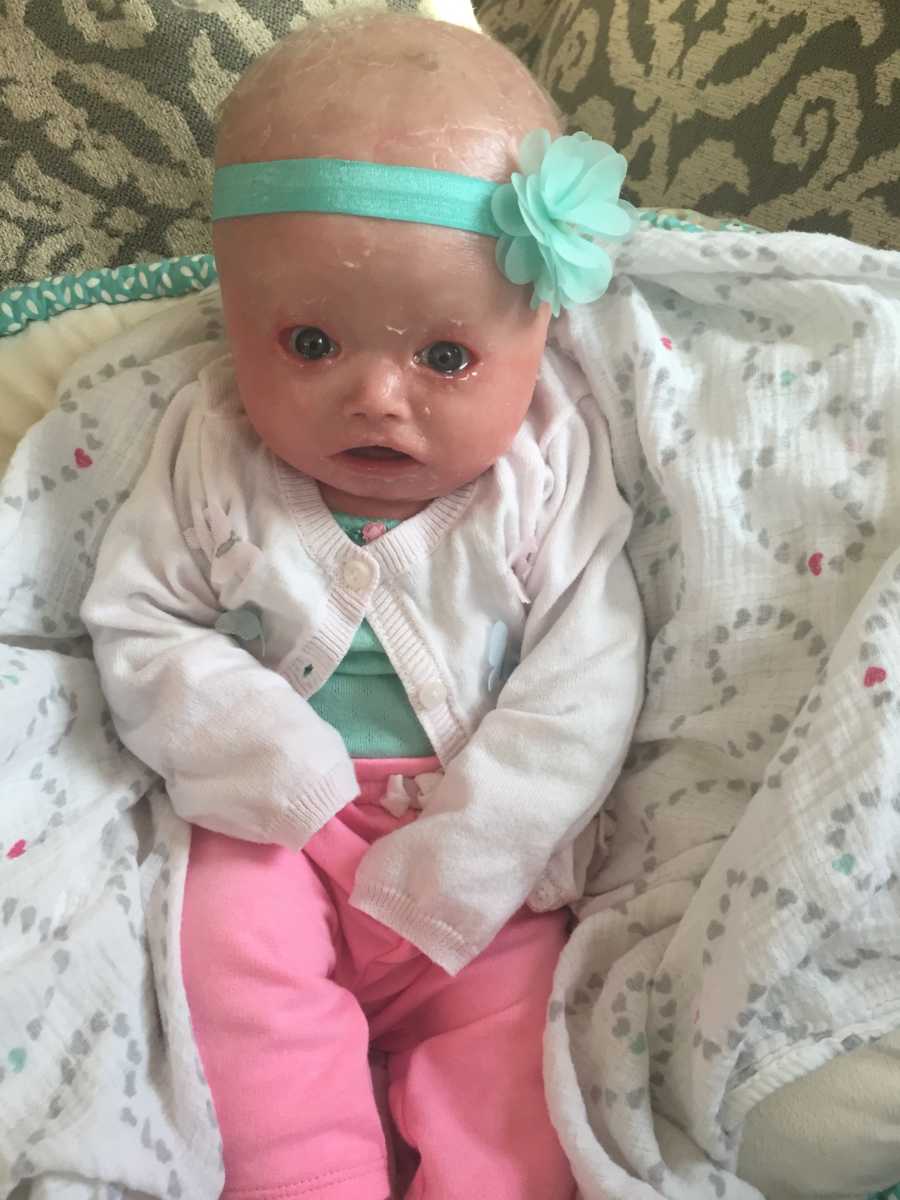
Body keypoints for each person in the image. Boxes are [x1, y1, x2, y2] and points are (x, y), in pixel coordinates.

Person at [82, 11, 645, 1199]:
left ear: (540, 329)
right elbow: (137, 620)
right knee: (236, 974)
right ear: (232, 316)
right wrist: (262, 754)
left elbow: (587, 676)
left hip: (480, 854)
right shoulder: (212, 450)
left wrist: (486, 840)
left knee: (509, 1071)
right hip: (271, 827)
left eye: (445, 358)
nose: (377, 399)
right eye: (309, 340)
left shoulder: (545, 472)